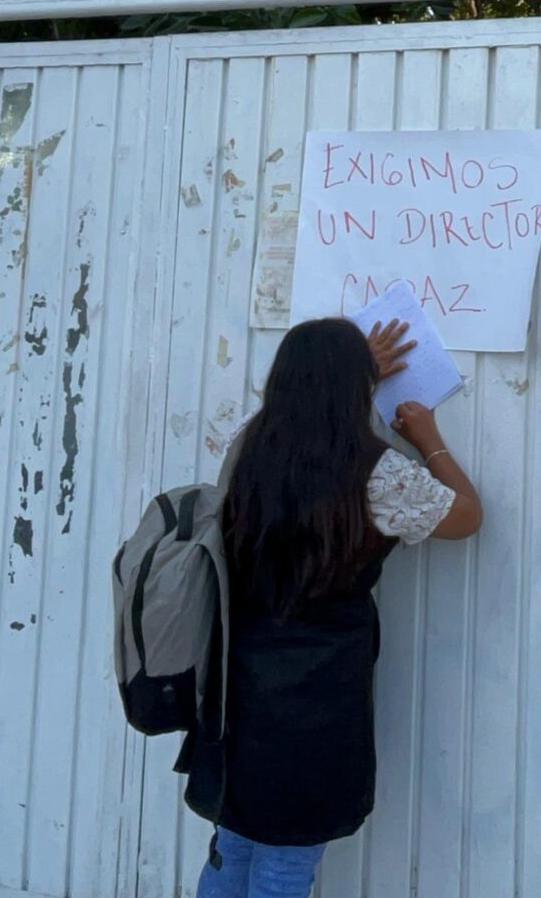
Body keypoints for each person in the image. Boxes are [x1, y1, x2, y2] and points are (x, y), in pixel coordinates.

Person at [186, 315, 482, 898]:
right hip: (315, 696)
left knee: (234, 844)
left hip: (236, 681)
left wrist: (347, 363)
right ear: (357, 387)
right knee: (286, 862)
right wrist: (430, 441)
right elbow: (467, 516)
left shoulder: (247, 446)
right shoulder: (378, 473)